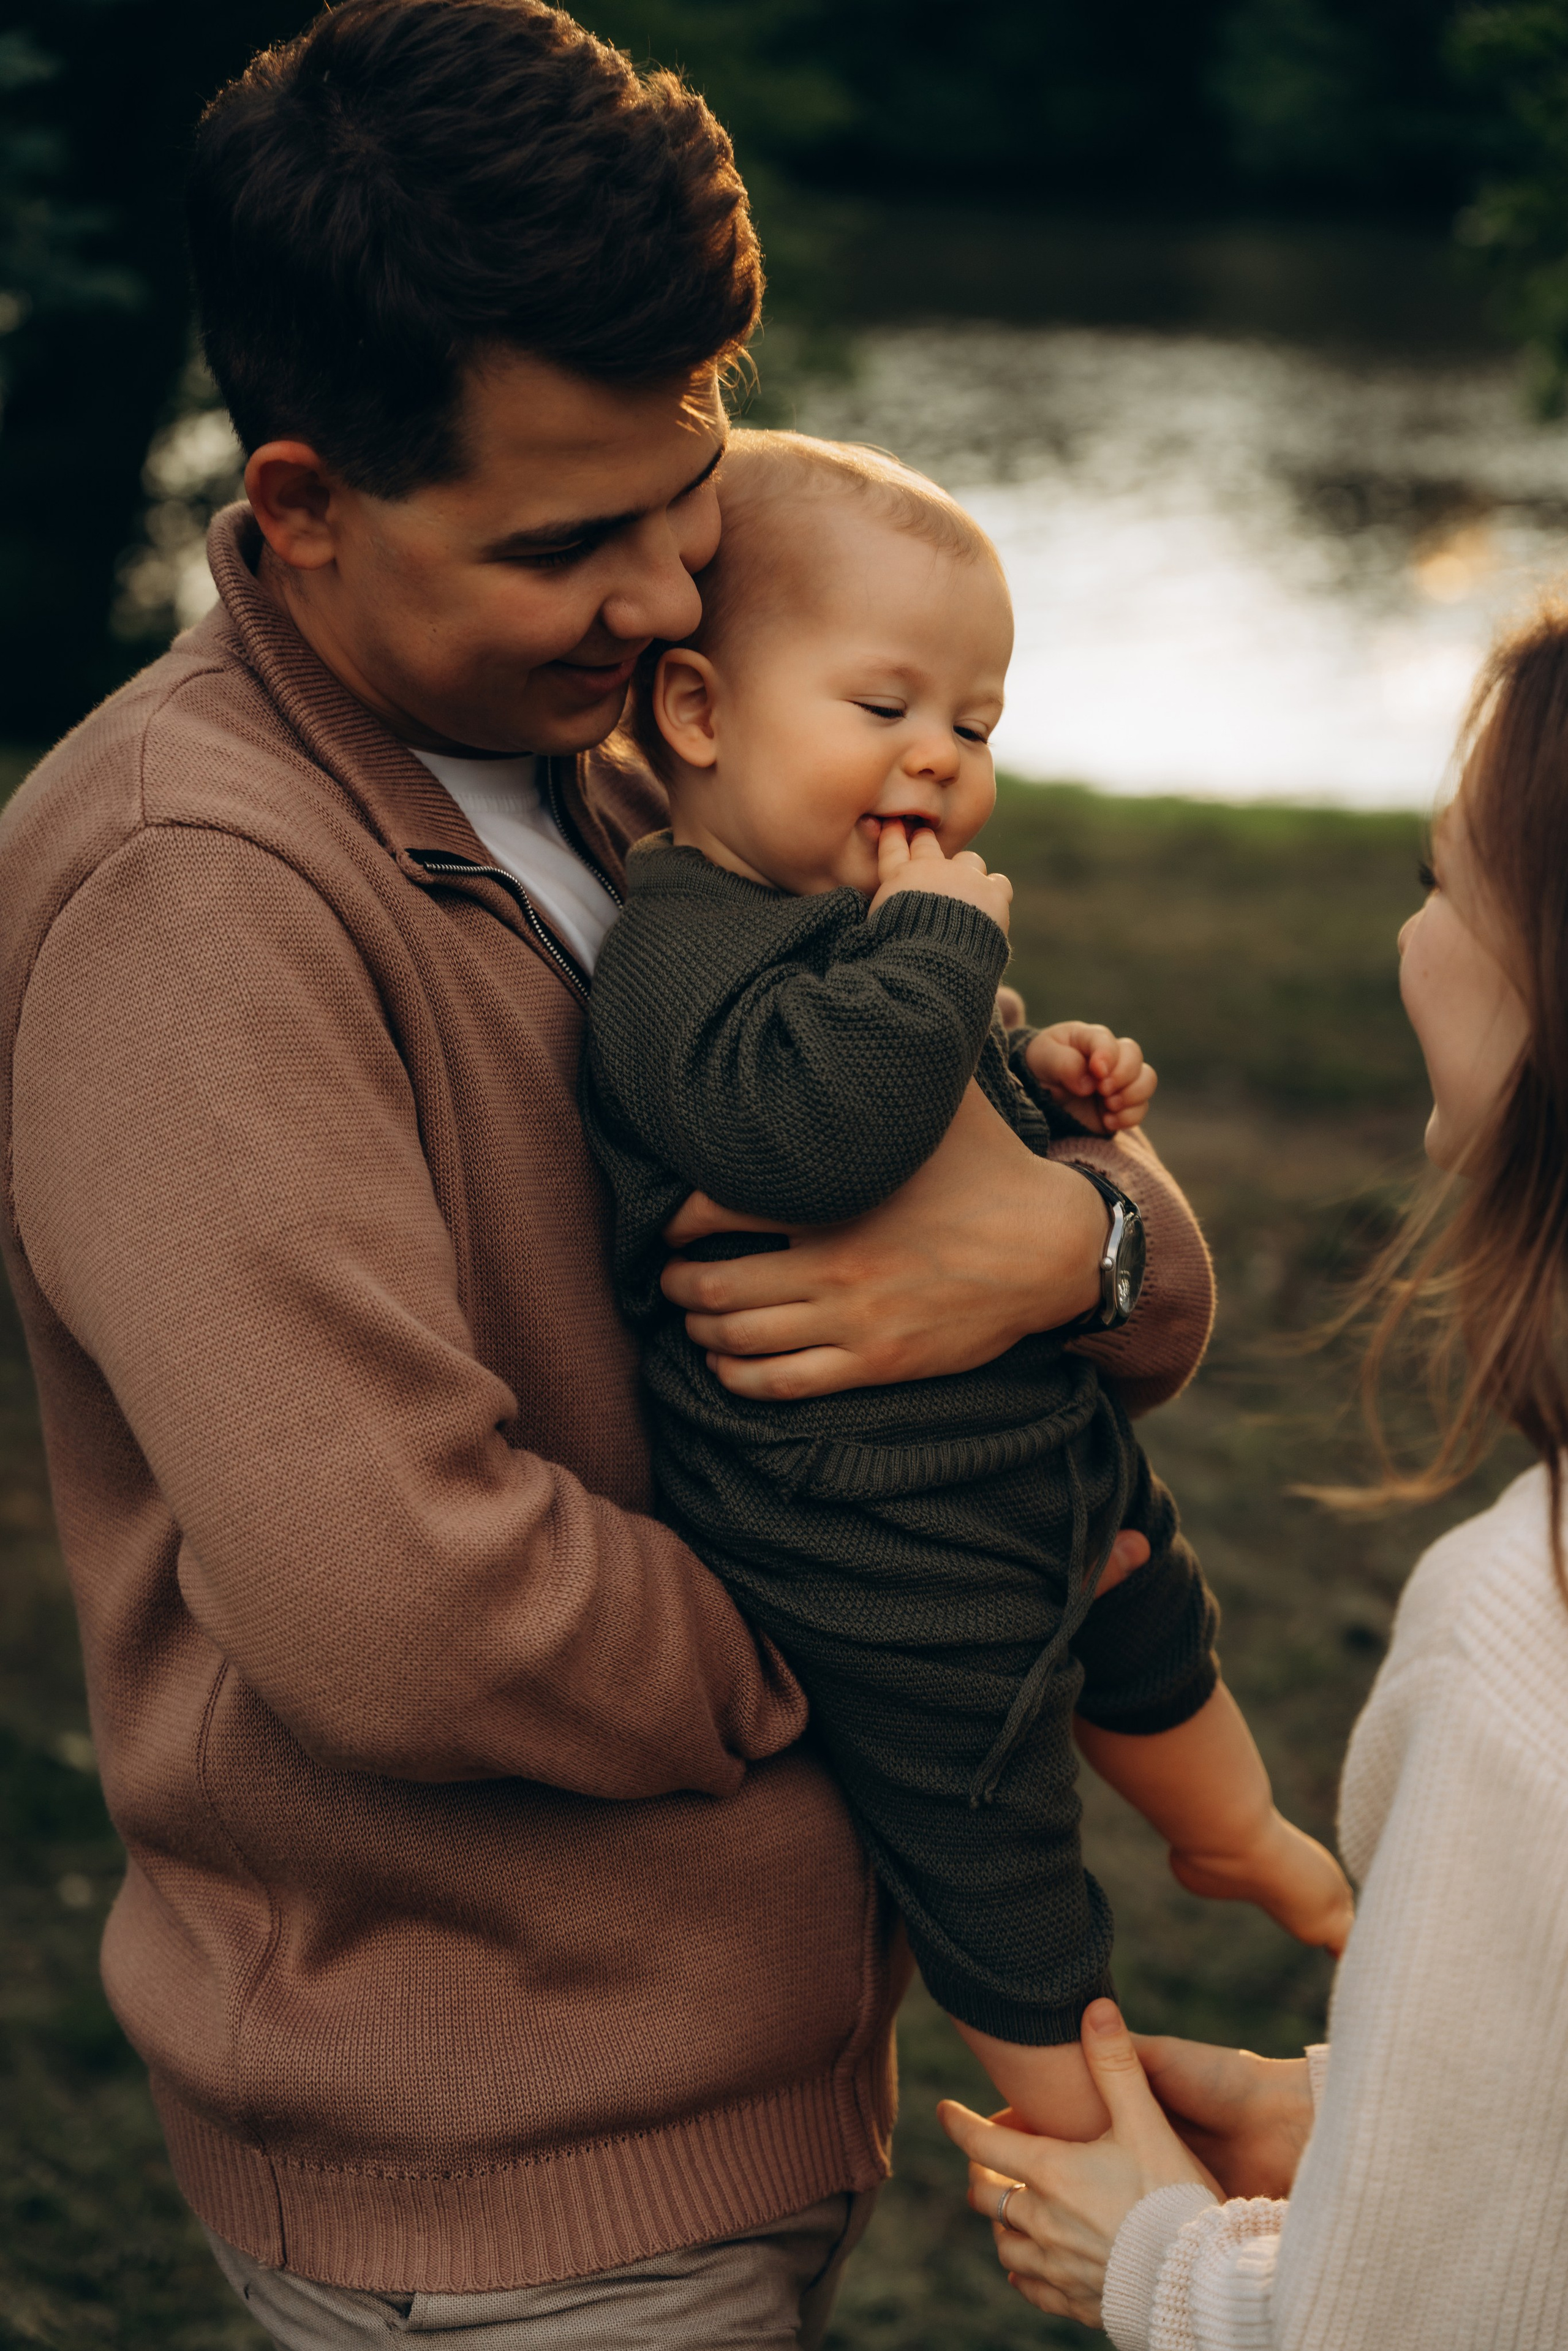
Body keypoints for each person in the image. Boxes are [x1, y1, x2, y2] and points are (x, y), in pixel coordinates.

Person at [0, 4, 1221, 2345]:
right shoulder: (193, 896)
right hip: (502, 2171)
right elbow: (399, 1595)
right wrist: (873, 1626)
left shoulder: (620, 765)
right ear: (303, 508)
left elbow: (1100, 1244)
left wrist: (1067, 1251)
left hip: (740, 2072)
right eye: (568, 541)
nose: (674, 598)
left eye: (690, 493)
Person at [582, 430, 1352, 2146]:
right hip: (876, 1542)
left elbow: (944, 1103)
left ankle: (1231, 1828)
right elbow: (805, 1135)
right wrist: (951, 957)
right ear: (700, 715)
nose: (940, 759)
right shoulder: (676, 959)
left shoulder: (846, 918)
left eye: (978, 727)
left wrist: (1049, 1083)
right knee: (990, 1837)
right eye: (887, 710)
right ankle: (1077, 2121)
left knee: (1150, 1601)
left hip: (1021, 1455)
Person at [938, 600, 1568, 2349]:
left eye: (1446, 886)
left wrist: (1156, 2258)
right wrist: (1379, 2125)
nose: (1408, 937)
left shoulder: (1530, 1624)